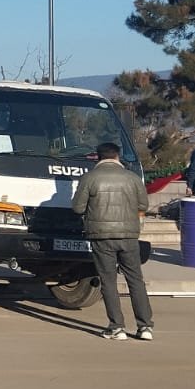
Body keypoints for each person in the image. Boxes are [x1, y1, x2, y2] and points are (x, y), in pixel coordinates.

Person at [72, 141, 153, 341]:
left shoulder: (89, 178)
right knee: (135, 280)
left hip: (101, 235)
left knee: (108, 281)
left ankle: (117, 327)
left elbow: (78, 208)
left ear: (97, 157)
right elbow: (144, 204)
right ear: (117, 156)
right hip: (129, 235)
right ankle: (145, 327)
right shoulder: (132, 178)